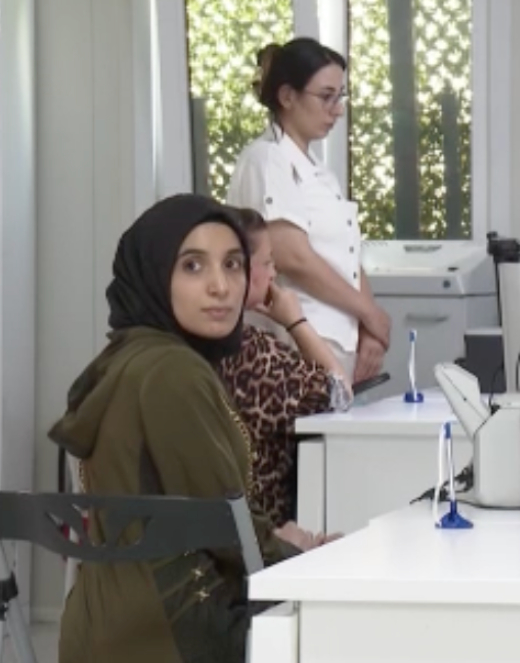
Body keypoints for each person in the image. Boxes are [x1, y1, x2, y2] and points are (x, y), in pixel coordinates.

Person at [49, 194, 327, 663]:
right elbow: (227, 528)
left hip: (98, 625)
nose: (221, 287)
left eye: (233, 264)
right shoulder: (174, 372)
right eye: (193, 266)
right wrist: (305, 556)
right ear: (155, 274)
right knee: (349, 625)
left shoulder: (126, 358)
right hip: (172, 630)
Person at [227, 37, 392, 383]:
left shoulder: (319, 171)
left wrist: (369, 328)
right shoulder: (267, 159)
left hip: (336, 343)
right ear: (287, 96)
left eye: (340, 96)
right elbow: (291, 257)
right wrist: (368, 312)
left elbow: (347, 257)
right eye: (326, 96)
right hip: (296, 345)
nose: (338, 109)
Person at [218, 207, 355, 527]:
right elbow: (340, 393)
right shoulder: (253, 354)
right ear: (241, 270)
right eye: (267, 262)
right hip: (264, 537)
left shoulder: (168, 346)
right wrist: (296, 321)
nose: (274, 273)